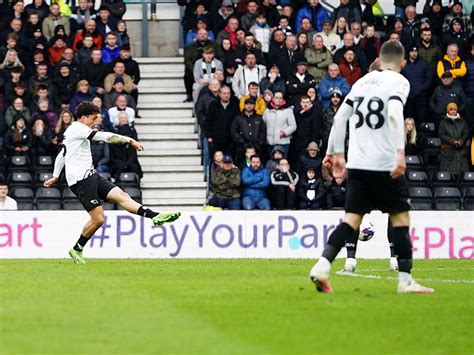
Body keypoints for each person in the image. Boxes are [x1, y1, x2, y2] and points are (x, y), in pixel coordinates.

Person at [309, 41, 434, 294]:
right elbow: (395, 111)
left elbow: (339, 118)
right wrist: (400, 153)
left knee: (351, 220)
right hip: (385, 163)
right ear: (403, 63)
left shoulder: (361, 83)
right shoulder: (399, 82)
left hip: (357, 163)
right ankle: (405, 280)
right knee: (400, 219)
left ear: (378, 58)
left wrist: (334, 154)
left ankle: (322, 266)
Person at [43, 102, 181, 264]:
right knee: (99, 219)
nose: (95, 121)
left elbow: (62, 154)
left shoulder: (73, 131)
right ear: (84, 117)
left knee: (122, 195)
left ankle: (155, 216)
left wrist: (56, 176)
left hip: (91, 175)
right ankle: (76, 249)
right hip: (80, 180)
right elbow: (106, 137)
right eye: (94, 118)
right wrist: (130, 140)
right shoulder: (78, 129)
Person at [438, 102, 470, 175]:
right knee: (447, 175)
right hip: (447, 151)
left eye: (454, 109)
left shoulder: (463, 122)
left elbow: (466, 133)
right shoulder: (443, 122)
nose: (453, 111)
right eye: (451, 109)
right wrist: (453, 142)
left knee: (463, 175)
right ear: (448, 111)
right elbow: (441, 134)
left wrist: (461, 141)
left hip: (461, 151)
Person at [262, 91, 296, 157]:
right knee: (271, 163)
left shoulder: (288, 111)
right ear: (273, 99)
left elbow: (293, 125)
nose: (278, 100)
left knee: (282, 163)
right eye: (277, 98)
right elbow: (263, 124)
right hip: (270, 142)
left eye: (280, 98)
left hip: (283, 142)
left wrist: (284, 132)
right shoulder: (267, 111)